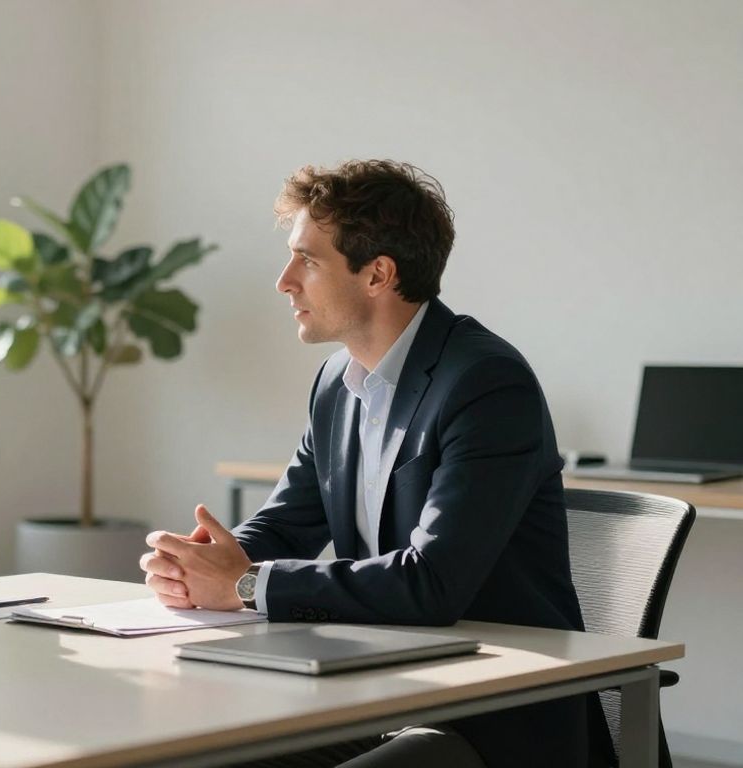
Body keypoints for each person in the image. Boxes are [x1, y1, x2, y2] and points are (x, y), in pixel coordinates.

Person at [140, 161, 612, 768]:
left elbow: (432, 583)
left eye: (307, 260)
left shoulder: (486, 383)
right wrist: (200, 565)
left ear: (378, 274)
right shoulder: (338, 382)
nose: (284, 281)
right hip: (376, 691)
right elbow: (286, 525)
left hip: (486, 719)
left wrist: (245, 584)